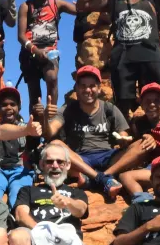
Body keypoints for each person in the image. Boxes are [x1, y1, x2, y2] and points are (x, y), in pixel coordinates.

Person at [9, 142, 92, 245]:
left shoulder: (76, 193)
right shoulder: (28, 190)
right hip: (35, 236)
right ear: (41, 164)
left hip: (68, 241)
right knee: (17, 237)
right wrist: (41, 230)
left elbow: (81, 210)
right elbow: (20, 214)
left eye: (60, 162)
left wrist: (68, 202)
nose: (55, 165)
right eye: (49, 161)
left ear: (67, 165)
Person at [43, 66, 130, 197]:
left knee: (142, 145)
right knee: (55, 144)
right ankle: (104, 179)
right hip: (80, 159)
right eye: (83, 86)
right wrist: (44, 118)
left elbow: (123, 135)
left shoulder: (109, 108)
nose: (88, 90)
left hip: (107, 157)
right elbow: (50, 133)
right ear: (76, 89)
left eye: (92, 86)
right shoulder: (68, 109)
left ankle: (96, 178)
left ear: (99, 88)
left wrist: (123, 139)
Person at [17, 0, 77, 109]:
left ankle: (51, 113)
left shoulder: (56, 4)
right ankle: (36, 124)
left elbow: (78, 10)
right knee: (34, 92)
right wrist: (36, 51)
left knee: (52, 78)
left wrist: (83, 2)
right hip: (29, 51)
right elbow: (20, 36)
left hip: (50, 50)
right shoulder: (26, 6)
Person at [0, 86, 44, 205]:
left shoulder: (27, 127)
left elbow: (38, 140)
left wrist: (41, 117)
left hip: (20, 171)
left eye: (13, 104)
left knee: (18, 195)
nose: (9, 108)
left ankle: (14, 217)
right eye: (4, 105)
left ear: (19, 107)